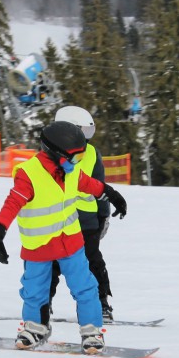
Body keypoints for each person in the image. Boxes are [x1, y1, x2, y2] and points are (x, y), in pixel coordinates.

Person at [0, 121, 128, 354]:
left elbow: (89, 184)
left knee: (85, 287)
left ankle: (92, 331)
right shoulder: (29, 175)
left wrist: (112, 195)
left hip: (70, 243)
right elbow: (11, 205)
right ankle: (35, 328)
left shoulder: (70, 171)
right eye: (76, 157)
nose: (78, 162)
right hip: (38, 246)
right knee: (34, 290)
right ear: (57, 154)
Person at [49, 106, 115, 321]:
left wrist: (104, 215)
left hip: (86, 222)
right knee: (51, 263)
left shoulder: (92, 154)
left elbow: (100, 185)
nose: (84, 140)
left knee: (92, 261)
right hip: (57, 221)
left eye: (87, 133)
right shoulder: (48, 154)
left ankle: (101, 303)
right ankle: (42, 302)